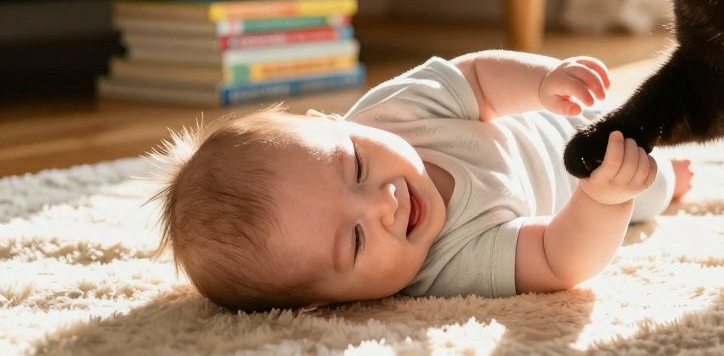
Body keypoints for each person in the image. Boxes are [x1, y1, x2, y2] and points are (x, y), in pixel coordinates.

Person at [149, 52, 694, 310]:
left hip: (551, 114)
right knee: (650, 179)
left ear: (332, 122)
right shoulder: (446, 266)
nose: (384, 204)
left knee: (644, 108)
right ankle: (672, 178)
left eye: (356, 167)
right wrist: (603, 197)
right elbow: (559, 257)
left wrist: (542, 82)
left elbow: (475, 78)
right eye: (357, 239)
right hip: (588, 176)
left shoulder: (389, 112)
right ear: (333, 303)